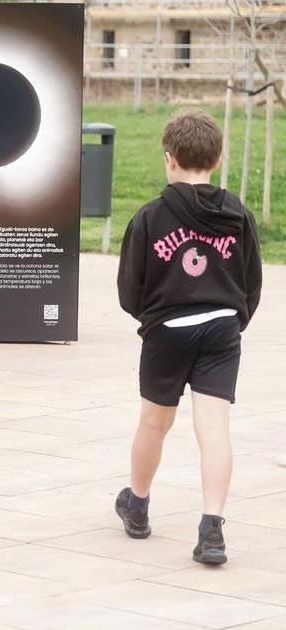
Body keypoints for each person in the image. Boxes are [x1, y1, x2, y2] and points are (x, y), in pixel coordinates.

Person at [114, 110, 262, 566]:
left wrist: (154, 318)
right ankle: (212, 529)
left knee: (154, 423)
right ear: (217, 160)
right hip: (221, 326)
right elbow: (251, 281)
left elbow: (129, 289)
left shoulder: (150, 216)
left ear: (169, 159)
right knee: (214, 430)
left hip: (168, 330)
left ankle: (137, 505)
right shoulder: (238, 214)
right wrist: (233, 319)